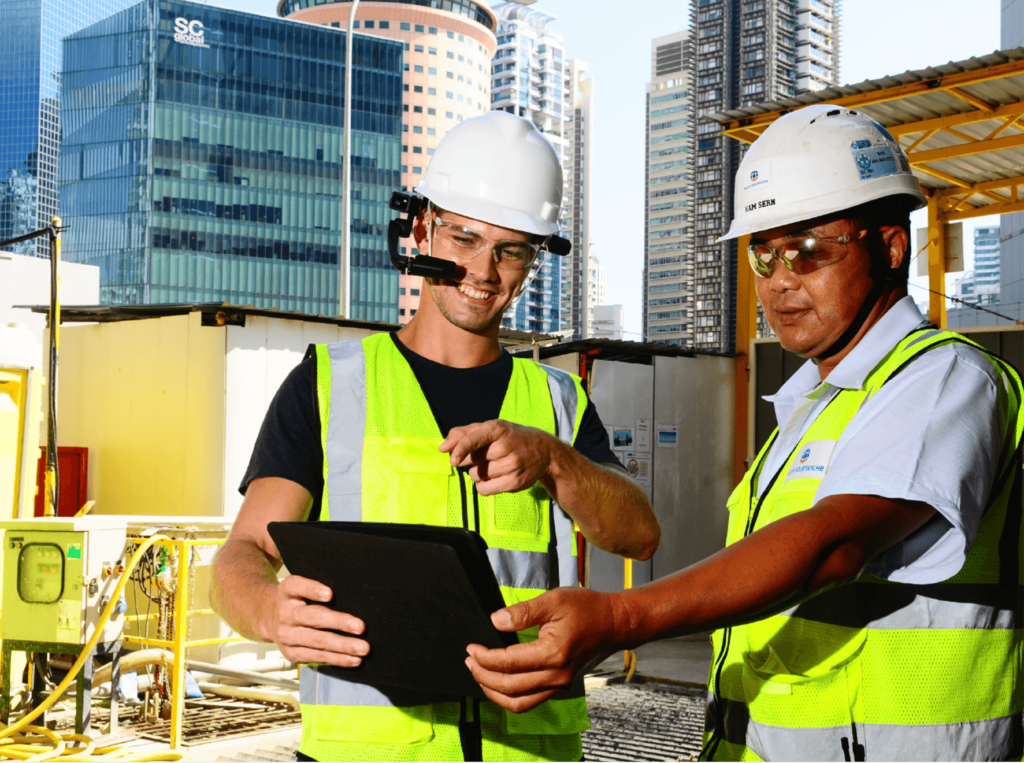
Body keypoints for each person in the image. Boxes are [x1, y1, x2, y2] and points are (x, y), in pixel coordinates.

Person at [464, 104, 1024, 763]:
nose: (781, 279)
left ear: (891, 245)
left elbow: (832, 546)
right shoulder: (811, 411)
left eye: (811, 249)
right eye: (765, 251)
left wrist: (622, 617)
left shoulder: (947, 380)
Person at [209, 111, 661, 763]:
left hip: (527, 748)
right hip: (369, 752)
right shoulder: (329, 384)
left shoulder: (557, 402)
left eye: (511, 249)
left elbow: (639, 533)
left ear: (533, 260)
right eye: (464, 237)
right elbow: (244, 551)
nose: (484, 269)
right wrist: (266, 609)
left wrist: (555, 462)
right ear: (422, 228)